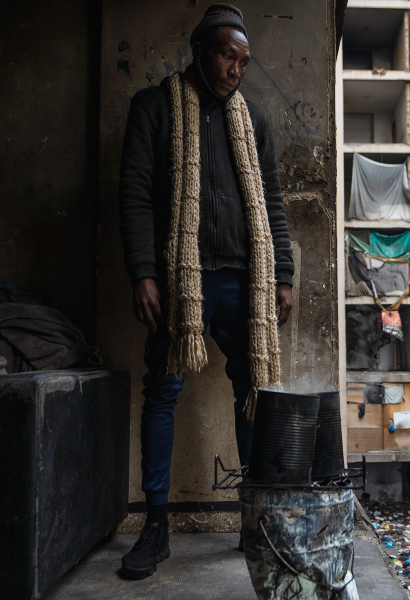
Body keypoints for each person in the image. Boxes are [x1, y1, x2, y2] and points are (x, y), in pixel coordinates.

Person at [116, 3, 294, 580]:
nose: (234, 70)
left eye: (244, 61)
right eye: (226, 55)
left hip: (246, 281)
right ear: (199, 49)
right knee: (163, 394)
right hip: (180, 282)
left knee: (253, 395)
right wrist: (143, 272)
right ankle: (156, 525)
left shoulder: (255, 123)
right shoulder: (154, 108)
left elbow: (272, 205)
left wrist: (283, 275)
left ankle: (255, 521)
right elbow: (136, 195)